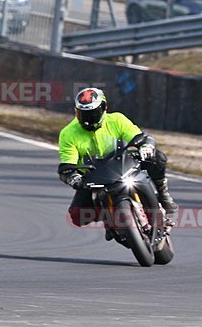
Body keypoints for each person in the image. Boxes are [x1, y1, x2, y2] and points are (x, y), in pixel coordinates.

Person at [58, 87, 179, 228]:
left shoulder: (117, 119)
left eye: (93, 113)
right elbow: (68, 164)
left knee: (157, 157)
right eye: (83, 114)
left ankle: (162, 192)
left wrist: (145, 146)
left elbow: (138, 136)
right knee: (77, 215)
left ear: (104, 108)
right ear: (76, 112)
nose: (88, 119)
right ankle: (110, 217)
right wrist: (73, 177)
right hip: (93, 176)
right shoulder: (68, 133)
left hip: (123, 163)